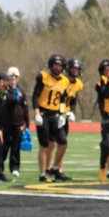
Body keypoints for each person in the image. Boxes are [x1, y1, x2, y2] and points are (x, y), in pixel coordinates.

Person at [32, 53, 69, 182]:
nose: (57, 68)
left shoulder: (65, 80)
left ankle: (53, 168)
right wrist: (36, 112)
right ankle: (43, 173)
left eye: (59, 65)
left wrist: (63, 114)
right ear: (51, 65)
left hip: (56, 114)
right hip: (43, 114)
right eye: (55, 65)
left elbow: (64, 100)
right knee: (44, 145)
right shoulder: (43, 77)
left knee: (63, 143)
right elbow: (35, 96)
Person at [51, 57, 84, 181]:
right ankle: (52, 169)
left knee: (61, 144)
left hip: (64, 116)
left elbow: (73, 100)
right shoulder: (63, 80)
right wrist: (62, 112)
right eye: (72, 68)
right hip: (57, 114)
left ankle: (58, 169)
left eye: (76, 69)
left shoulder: (78, 84)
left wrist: (72, 112)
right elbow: (61, 99)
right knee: (60, 143)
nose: (74, 71)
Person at [0, 66, 29, 178]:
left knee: (16, 147)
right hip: (6, 123)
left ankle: (15, 168)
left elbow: (25, 107)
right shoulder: (3, 90)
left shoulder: (21, 91)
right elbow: (1, 104)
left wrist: (26, 122)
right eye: (11, 76)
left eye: (16, 77)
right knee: (4, 147)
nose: (13, 79)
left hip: (18, 124)